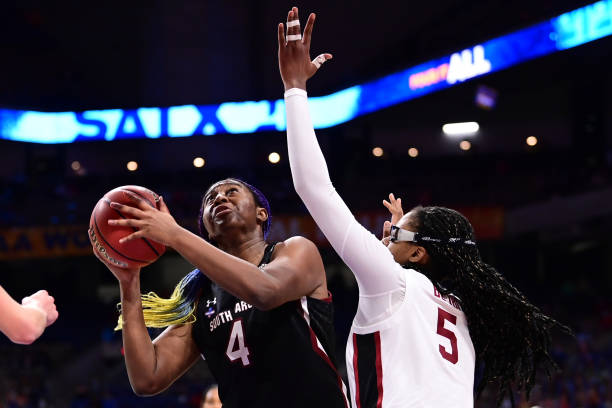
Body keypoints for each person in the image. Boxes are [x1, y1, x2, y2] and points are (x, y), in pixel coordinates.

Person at [278, 7, 570, 407]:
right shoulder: (463, 312)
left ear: (418, 252)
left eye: (395, 233)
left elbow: (314, 187)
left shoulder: (393, 283)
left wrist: (294, 88)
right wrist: (396, 245)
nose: (385, 236)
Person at [95, 178, 349, 407]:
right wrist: (129, 284)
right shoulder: (200, 296)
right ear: (208, 230)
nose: (219, 198)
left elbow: (265, 292)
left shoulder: (295, 250)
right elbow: (146, 378)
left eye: (232, 191)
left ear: (261, 214)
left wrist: (174, 234)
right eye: (210, 200)